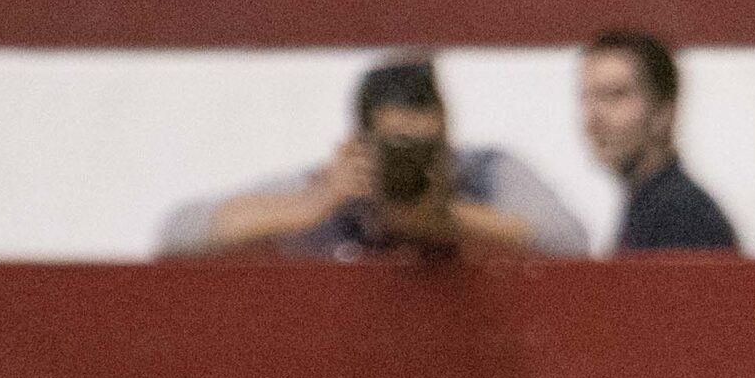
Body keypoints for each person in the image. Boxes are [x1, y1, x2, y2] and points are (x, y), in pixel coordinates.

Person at [158, 54, 588, 262]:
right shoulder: (337, 191)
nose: (411, 163)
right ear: (361, 147)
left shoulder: (484, 174)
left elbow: (570, 243)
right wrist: (311, 205)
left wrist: (447, 217)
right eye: (396, 149)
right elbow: (178, 235)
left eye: (424, 149)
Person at [579, 30, 740, 254]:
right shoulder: (649, 207)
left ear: (663, 111)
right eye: (588, 97)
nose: (593, 118)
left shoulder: (683, 217)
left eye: (615, 95)